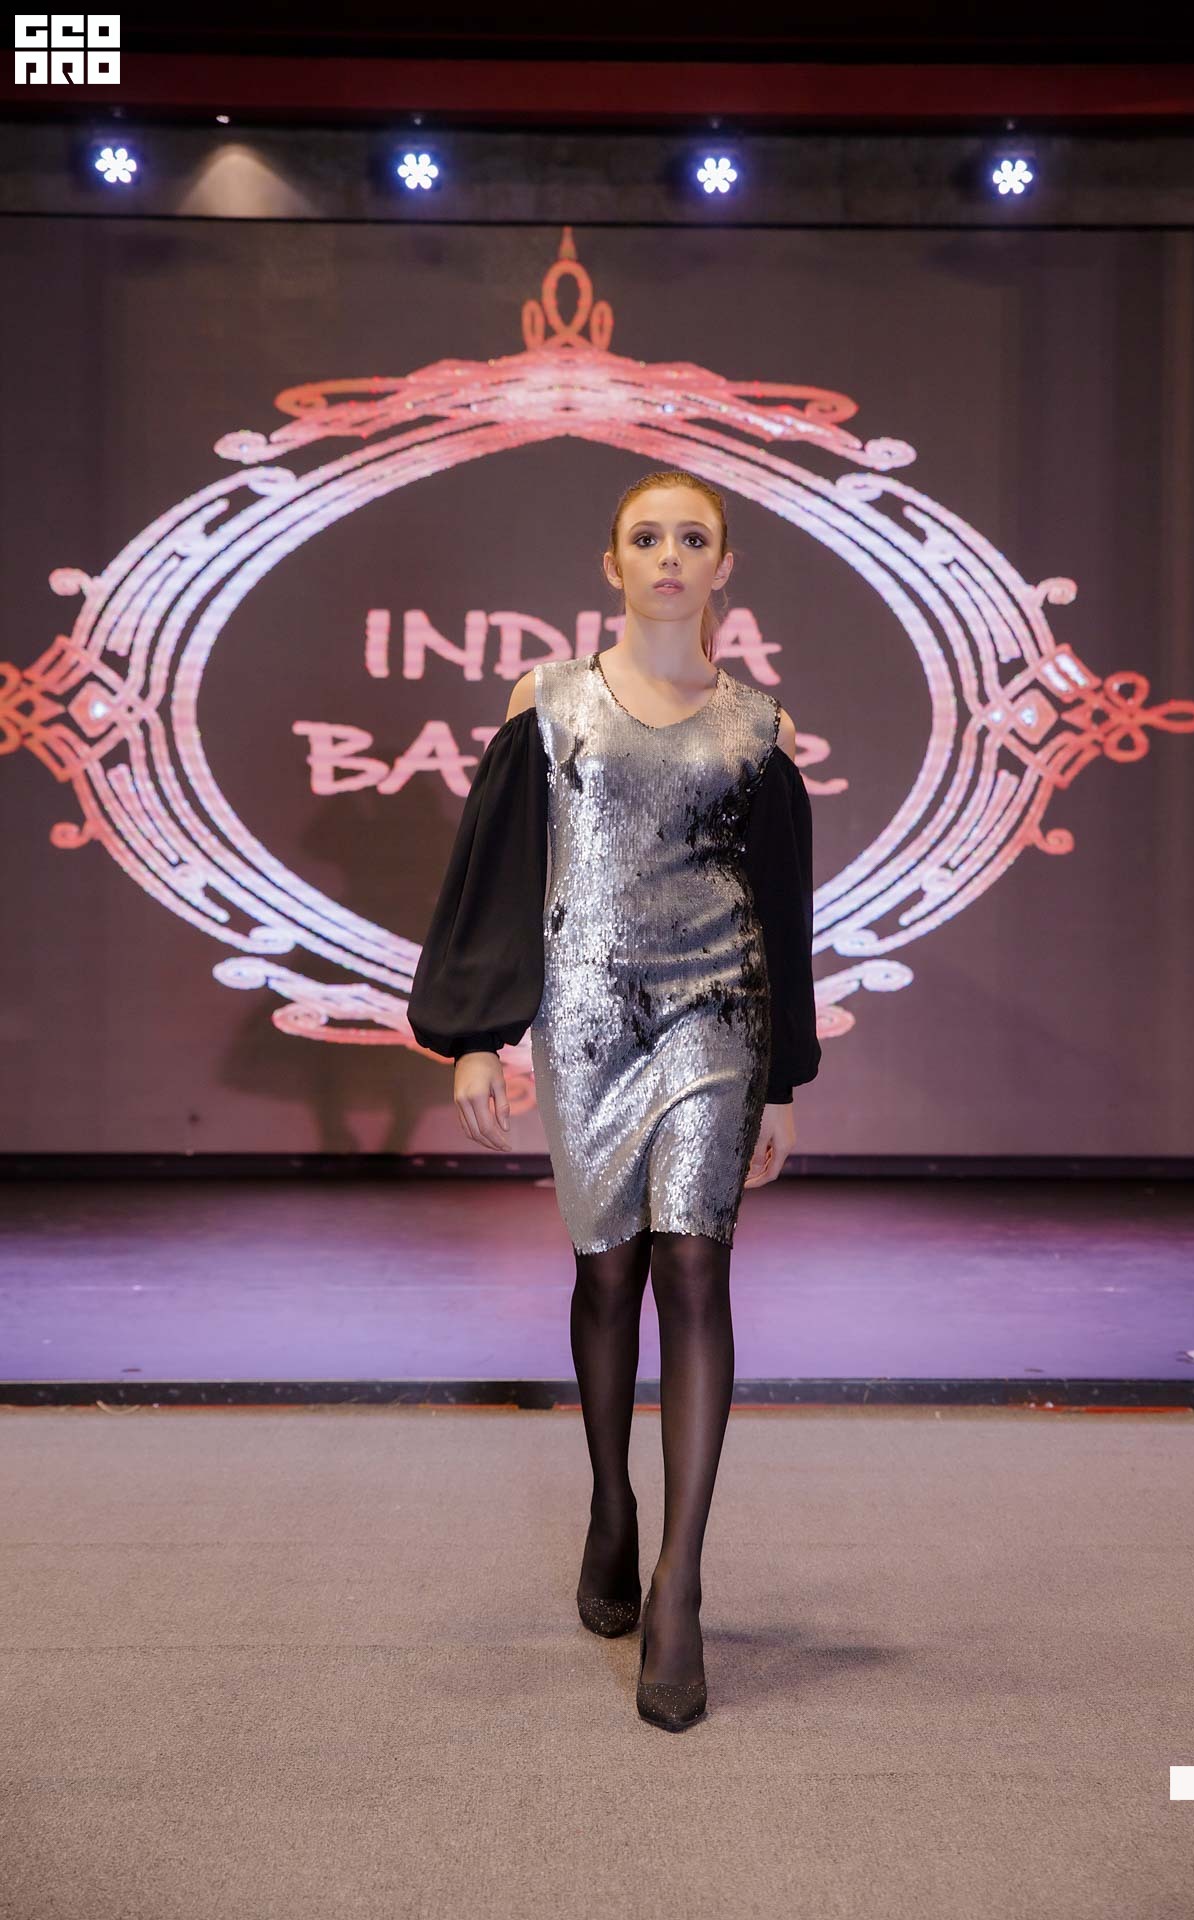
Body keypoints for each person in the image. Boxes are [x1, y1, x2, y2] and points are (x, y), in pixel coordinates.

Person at [407, 469, 821, 1730]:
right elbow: (496, 872)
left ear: (722, 566)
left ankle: (678, 1583)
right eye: (647, 537)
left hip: (716, 1011)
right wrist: (476, 1038)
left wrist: (782, 1078)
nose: (668, 556)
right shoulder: (547, 703)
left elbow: (783, 909)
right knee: (607, 1272)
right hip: (586, 1013)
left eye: (692, 538)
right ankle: (610, 1500)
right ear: (612, 563)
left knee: (694, 1263)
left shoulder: (758, 725)